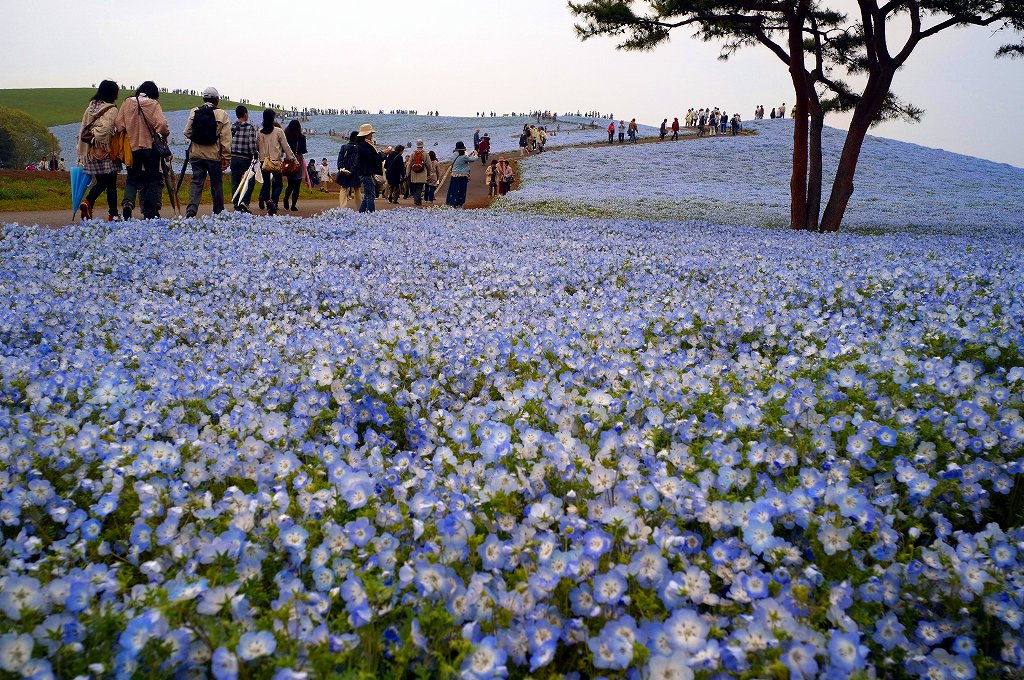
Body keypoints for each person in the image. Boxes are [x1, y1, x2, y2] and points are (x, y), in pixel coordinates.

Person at [114, 81, 170, 220]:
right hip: (150, 148)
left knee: (132, 179)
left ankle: (128, 202)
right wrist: (164, 133)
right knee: (153, 179)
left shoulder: (127, 102)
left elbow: (119, 124)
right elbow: (162, 124)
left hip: (132, 148)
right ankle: (150, 211)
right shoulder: (153, 104)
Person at [76, 79, 122, 221]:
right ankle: (112, 214)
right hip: (106, 151)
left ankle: (88, 205)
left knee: (101, 182)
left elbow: (84, 128)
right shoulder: (112, 109)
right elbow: (106, 130)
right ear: (112, 93)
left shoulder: (90, 107)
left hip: (90, 151)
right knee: (111, 185)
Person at [183, 86, 231, 218]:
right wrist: (226, 157)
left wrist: (198, 140)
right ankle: (218, 212)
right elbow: (226, 138)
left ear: (203, 98)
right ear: (217, 100)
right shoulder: (222, 114)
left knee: (196, 181)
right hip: (213, 155)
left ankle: (191, 210)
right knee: (216, 183)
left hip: (196, 154)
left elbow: (186, 132)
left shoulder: (194, 111)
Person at [256, 109, 295, 215]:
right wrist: (292, 159)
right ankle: (273, 201)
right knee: (279, 184)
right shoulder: (278, 131)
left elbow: (258, 147)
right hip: (275, 161)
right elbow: (286, 147)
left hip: (264, 161)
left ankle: (268, 201)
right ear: (273, 118)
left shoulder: (260, 132)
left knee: (266, 184)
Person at [229, 105, 258, 212]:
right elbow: (252, 144)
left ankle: (236, 205)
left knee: (235, 182)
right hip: (246, 158)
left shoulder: (231, 127)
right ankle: (245, 202)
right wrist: (255, 154)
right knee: (250, 181)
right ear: (245, 114)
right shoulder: (250, 127)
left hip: (234, 158)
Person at [355, 123, 385, 213]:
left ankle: (361, 213)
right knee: (370, 196)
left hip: (366, 172)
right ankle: (372, 215)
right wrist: (384, 153)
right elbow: (372, 159)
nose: (372, 135)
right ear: (366, 134)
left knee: (367, 196)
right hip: (366, 173)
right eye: (370, 134)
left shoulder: (364, 144)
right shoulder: (364, 145)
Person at [282, 120, 307, 211]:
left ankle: (285, 198)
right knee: (297, 185)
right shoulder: (301, 137)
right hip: (298, 161)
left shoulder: (286, 137)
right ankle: (293, 206)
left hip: (289, 159)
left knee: (290, 184)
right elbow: (303, 150)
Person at [445, 141, 477, 208]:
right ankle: (460, 203)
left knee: (454, 189)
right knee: (462, 189)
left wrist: (469, 155)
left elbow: (462, 159)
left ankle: (452, 203)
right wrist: (476, 154)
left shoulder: (453, 155)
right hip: (463, 175)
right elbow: (472, 159)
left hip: (454, 175)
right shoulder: (464, 157)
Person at [405, 140, 435, 205]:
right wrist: (429, 173)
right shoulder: (425, 154)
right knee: (420, 187)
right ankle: (416, 200)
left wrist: (407, 173)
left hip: (414, 173)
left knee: (415, 187)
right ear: (422, 145)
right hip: (422, 173)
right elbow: (429, 165)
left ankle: (418, 201)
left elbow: (409, 164)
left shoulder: (413, 154)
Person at [336, 131, 361, 208]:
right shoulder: (358, 148)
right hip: (355, 172)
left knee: (343, 188)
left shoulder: (344, 147)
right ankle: (359, 208)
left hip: (344, 170)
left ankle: (342, 207)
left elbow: (340, 159)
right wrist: (352, 170)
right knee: (357, 189)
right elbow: (357, 161)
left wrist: (341, 168)